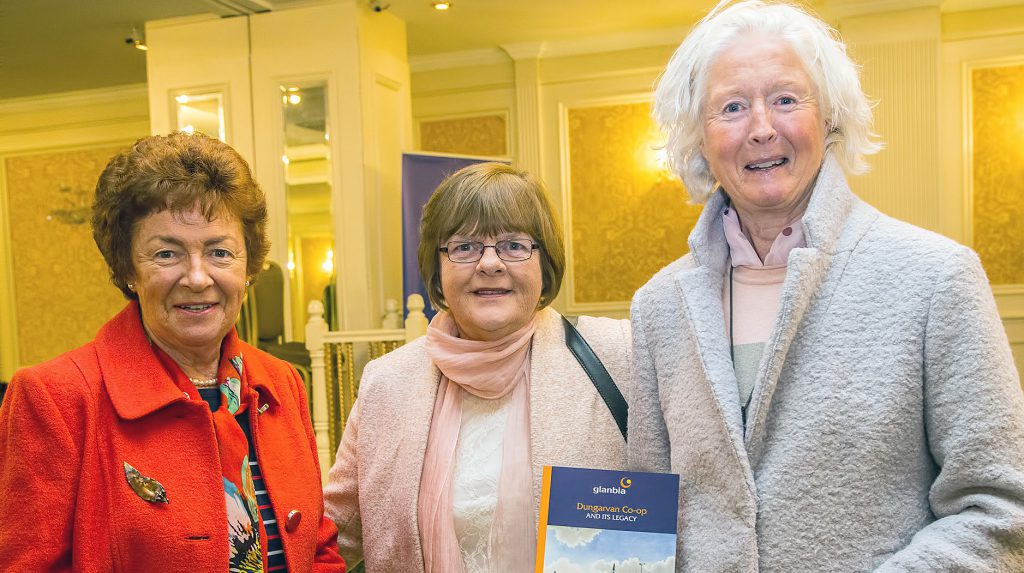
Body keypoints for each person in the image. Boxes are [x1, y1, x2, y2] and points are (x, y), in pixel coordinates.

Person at [629, 1, 1024, 571]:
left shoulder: (936, 277)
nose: (761, 128)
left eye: (786, 99)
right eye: (732, 107)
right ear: (699, 137)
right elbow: (648, 518)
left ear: (830, 118)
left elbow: (1000, 507)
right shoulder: (658, 306)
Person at [0, 132, 346, 572]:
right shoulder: (56, 398)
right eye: (167, 253)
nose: (197, 278)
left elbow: (317, 548)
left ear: (248, 266)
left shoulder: (281, 383)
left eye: (220, 252)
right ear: (127, 267)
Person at [323, 162, 631, 572]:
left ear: (545, 265)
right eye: (465, 247)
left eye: (514, 245)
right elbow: (330, 536)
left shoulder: (616, 355)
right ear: (438, 270)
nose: (489, 263)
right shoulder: (387, 383)